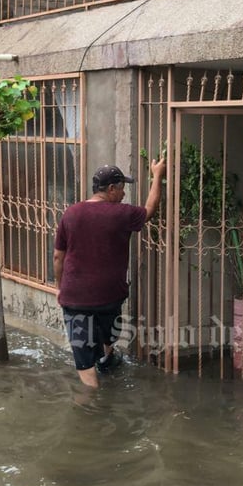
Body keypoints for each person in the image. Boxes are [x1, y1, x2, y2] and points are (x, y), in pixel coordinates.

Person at [54, 156, 167, 388]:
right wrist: (157, 176)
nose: (124, 195)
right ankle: (107, 361)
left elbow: (58, 256)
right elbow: (149, 209)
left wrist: (59, 287)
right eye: (122, 189)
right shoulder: (121, 214)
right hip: (109, 296)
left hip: (76, 298)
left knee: (84, 357)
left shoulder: (71, 213)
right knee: (109, 333)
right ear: (112, 189)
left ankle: (93, 402)